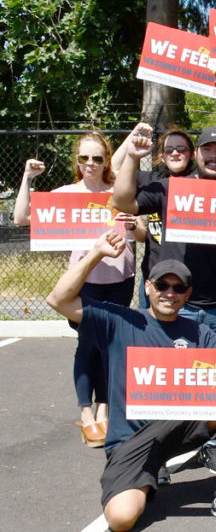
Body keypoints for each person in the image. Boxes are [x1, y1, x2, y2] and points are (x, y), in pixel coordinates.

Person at [46, 232, 216, 530]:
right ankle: (147, 473)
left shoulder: (202, 335)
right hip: (131, 440)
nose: (170, 293)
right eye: (162, 285)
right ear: (148, 287)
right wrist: (96, 253)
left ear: (187, 293)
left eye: (178, 288)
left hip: (181, 424)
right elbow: (58, 299)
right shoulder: (119, 321)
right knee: (121, 519)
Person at [113, 127, 216, 473]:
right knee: (160, 387)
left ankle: (210, 444)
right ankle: (151, 453)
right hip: (174, 306)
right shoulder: (171, 187)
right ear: (197, 154)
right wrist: (131, 156)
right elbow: (124, 201)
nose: (214, 156)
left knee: (215, 387)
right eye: (208, 150)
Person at [14, 133, 137, 447]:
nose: (91, 165)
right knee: (87, 344)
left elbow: (140, 225)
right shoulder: (66, 193)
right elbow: (20, 218)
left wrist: (134, 224)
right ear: (77, 161)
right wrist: (27, 178)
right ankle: (85, 414)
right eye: (84, 159)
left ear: (107, 159)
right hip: (85, 283)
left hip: (121, 281)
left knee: (112, 346)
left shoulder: (117, 193)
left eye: (97, 158)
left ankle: (105, 410)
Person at [112, 124, 197, 310]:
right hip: (155, 275)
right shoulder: (153, 180)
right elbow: (114, 168)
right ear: (162, 157)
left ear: (192, 154)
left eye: (181, 149)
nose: (175, 153)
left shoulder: (200, 181)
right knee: (153, 335)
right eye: (169, 149)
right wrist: (133, 138)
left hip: (190, 277)